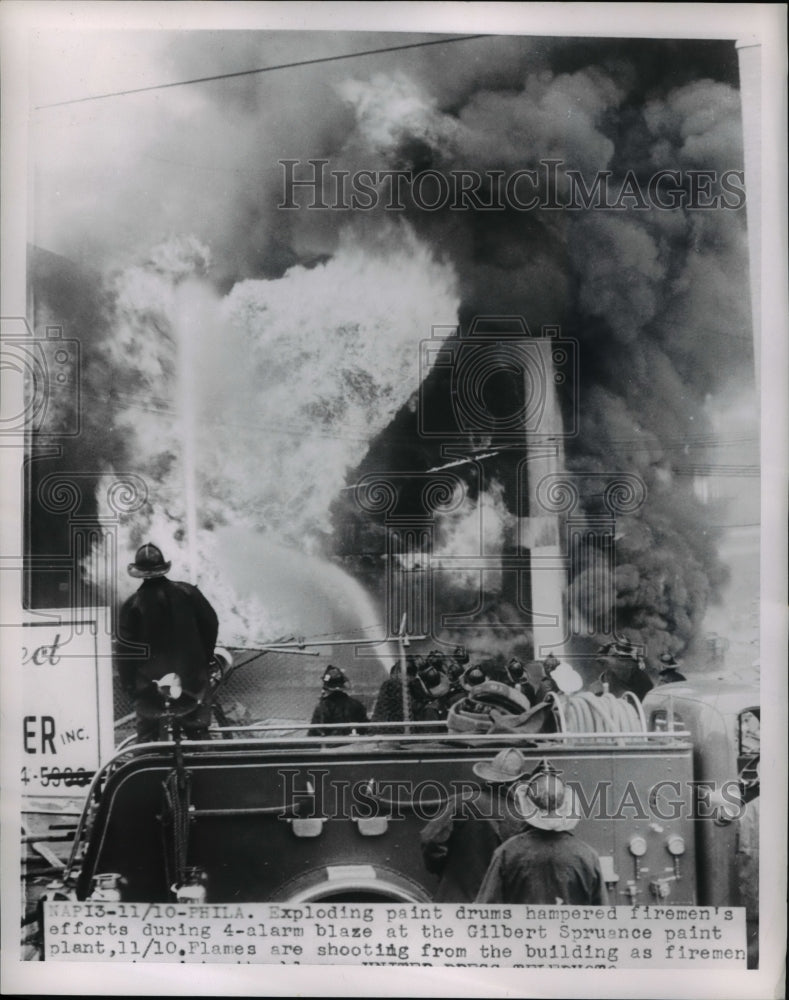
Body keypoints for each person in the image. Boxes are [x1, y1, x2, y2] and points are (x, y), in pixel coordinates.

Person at [117, 543, 219, 742]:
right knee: (198, 736)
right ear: (163, 568)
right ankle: (203, 759)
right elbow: (211, 625)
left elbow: (125, 651)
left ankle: (148, 761)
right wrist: (203, 661)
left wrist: (129, 685)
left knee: (148, 742)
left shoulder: (132, 605)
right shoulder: (189, 593)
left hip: (150, 687)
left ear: (139, 573)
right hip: (191, 682)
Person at [475, 760, 608, 905]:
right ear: (566, 804)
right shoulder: (587, 857)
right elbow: (602, 913)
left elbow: (487, 909)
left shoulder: (506, 854)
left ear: (526, 803)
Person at [420, 748, 529, 901]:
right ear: (518, 781)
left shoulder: (461, 801)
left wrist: (443, 871)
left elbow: (430, 838)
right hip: (496, 904)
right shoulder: (522, 816)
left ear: (490, 775)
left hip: (455, 900)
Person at [309, 665, 368, 737]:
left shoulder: (323, 706)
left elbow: (315, 732)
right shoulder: (356, 704)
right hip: (354, 742)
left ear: (326, 687)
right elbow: (365, 728)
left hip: (330, 742)